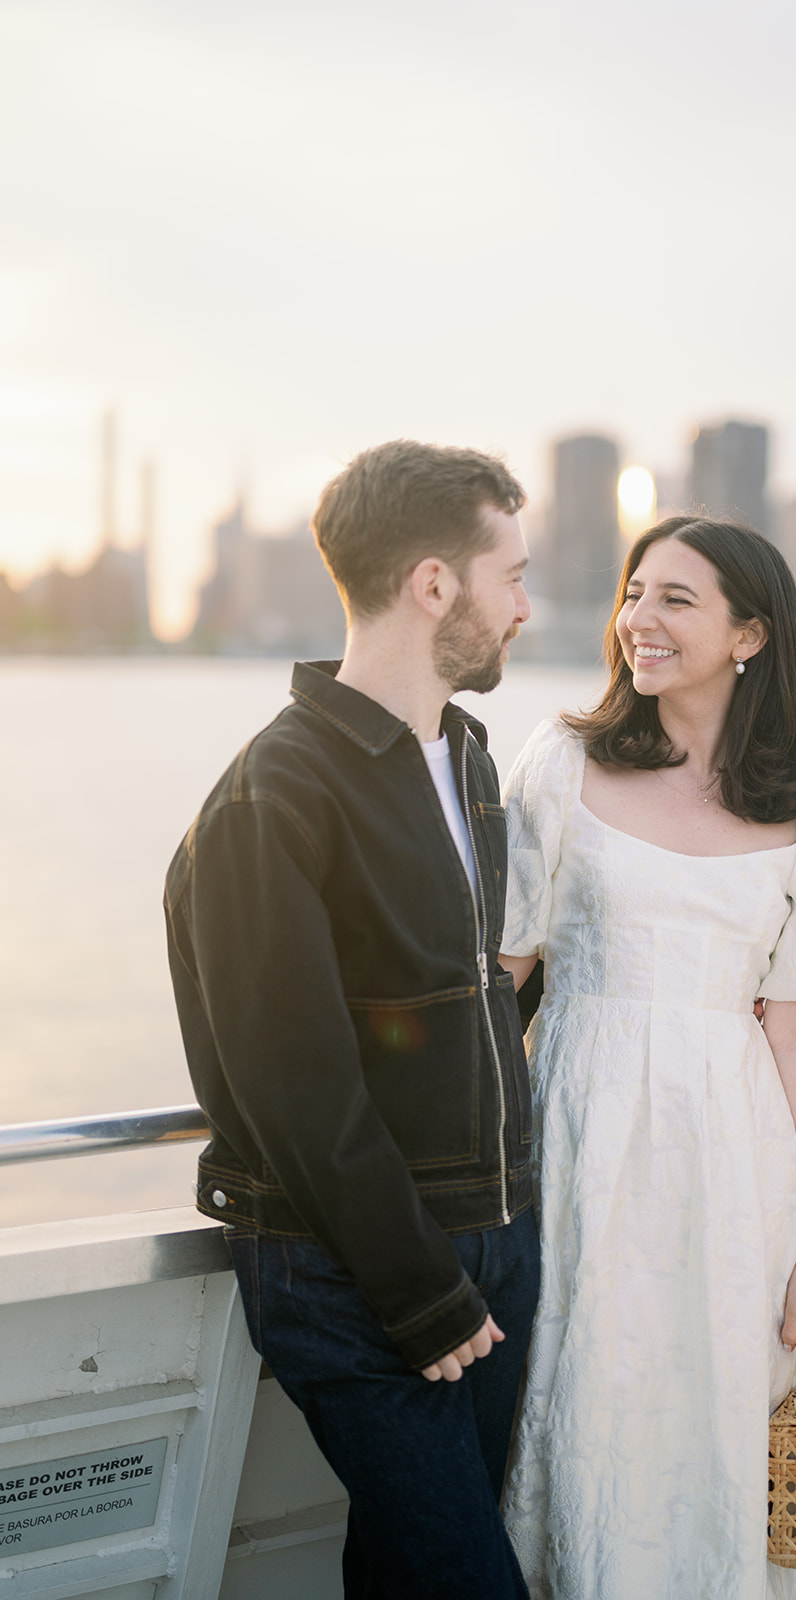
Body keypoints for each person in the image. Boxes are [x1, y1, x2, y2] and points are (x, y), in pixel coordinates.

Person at [164, 440, 540, 1599]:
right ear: (435, 584)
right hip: (355, 1269)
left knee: (411, 1567)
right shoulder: (271, 796)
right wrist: (418, 1290)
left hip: (489, 1241)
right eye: (511, 576)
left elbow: (460, 998)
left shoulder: (467, 762)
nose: (526, 608)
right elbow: (292, 1086)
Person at [497, 516, 796, 1600]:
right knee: (581, 1401)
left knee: (707, 1418)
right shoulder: (561, 762)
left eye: (674, 600)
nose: (637, 622)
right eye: (632, 592)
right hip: (573, 1134)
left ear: (749, 633)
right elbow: (501, 973)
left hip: (728, 1161)